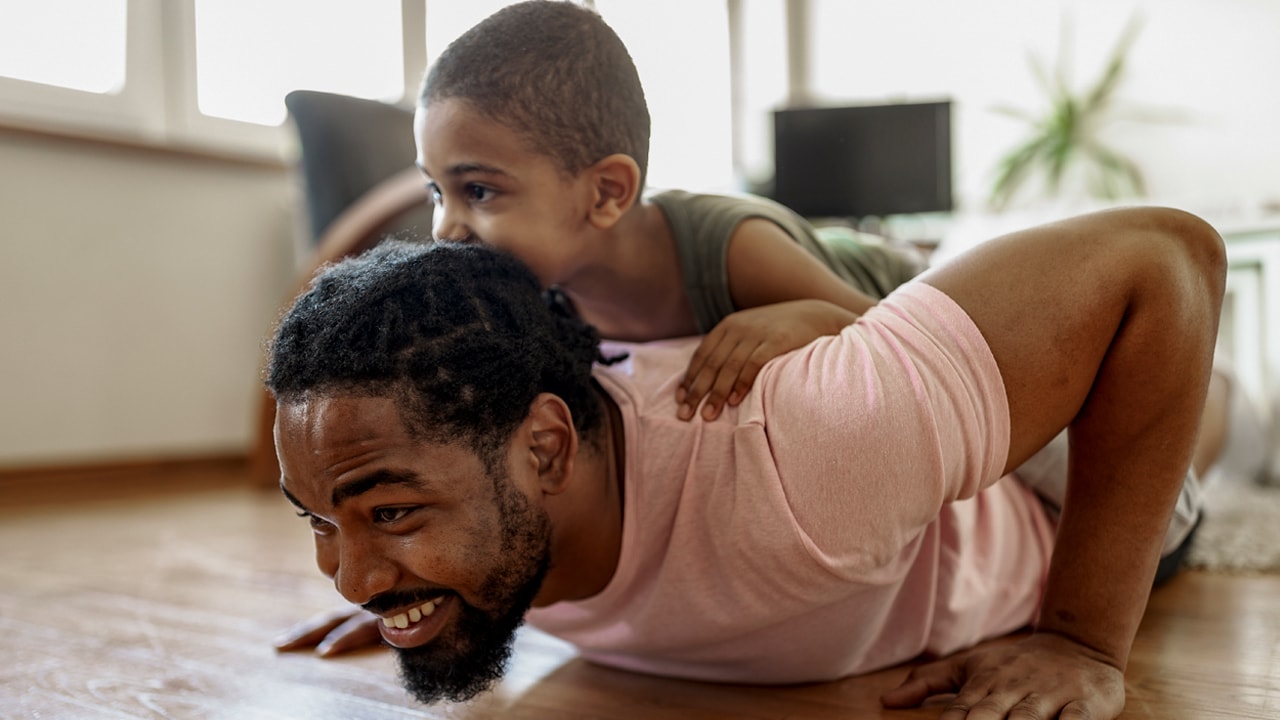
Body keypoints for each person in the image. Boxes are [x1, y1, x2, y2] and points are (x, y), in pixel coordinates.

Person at [267, 204, 1226, 719]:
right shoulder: (494, 505)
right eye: (320, 520)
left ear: (547, 448)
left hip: (1051, 516)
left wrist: (1084, 638)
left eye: (389, 513)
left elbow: (1168, 256)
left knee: (1222, 429)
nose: (349, 577)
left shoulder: (806, 450)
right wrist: (420, 596)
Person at [404, 0, 1207, 576]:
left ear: (609, 192)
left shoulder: (731, 246)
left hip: (888, 289)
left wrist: (807, 319)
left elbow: (889, 342)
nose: (446, 226)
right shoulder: (545, 295)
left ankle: (1193, 468)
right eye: (437, 191)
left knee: (1079, 466)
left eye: (478, 191)